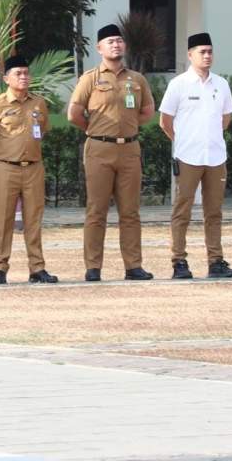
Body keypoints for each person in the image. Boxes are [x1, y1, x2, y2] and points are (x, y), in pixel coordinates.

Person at [67, 23, 156, 282]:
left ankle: (133, 266)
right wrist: (96, 130)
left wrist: (125, 128)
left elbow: (147, 111)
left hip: (129, 149)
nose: (115, 45)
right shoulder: (91, 78)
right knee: (97, 210)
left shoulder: (137, 79)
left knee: (130, 211)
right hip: (99, 149)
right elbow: (74, 114)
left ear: (124, 45)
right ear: (99, 48)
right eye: (110, 42)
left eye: (119, 40)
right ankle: (93, 267)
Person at [159, 32, 232, 279]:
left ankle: (216, 262)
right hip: (187, 157)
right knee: (182, 210)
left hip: (216, 157)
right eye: (202, 52)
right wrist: (183, 140)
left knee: (214, 212)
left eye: (210, 51)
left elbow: (226, 118)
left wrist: (209, 138)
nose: (207, 56)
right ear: (190, 55)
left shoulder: (221, 84)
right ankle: (179, 262)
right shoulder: (179, 84)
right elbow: (165, 121)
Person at [0, 55, 59, 285]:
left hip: (33, 167)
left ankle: (37, 268)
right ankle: (0, 268)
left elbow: (42, 130)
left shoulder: (38, 103)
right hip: (7, 168)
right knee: (4, 220)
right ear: (6, 78)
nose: (23, 77)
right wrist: (2, 153)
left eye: (26, 73)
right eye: (18, 73)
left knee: (33, 219)